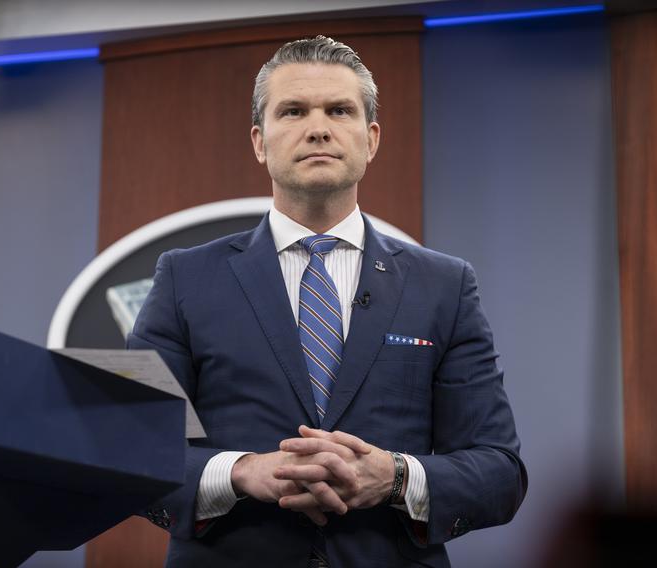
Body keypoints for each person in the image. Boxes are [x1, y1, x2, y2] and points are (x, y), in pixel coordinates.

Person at [128, 35, 526, 568]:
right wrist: (241, 472)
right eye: (292, 111)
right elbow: (126, 451)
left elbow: (500, 470)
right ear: (259, 142)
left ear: (372, 138)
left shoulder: (445, 285)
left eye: (339, 110)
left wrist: (396, 476)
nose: (318, 127)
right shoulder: (181, 278)